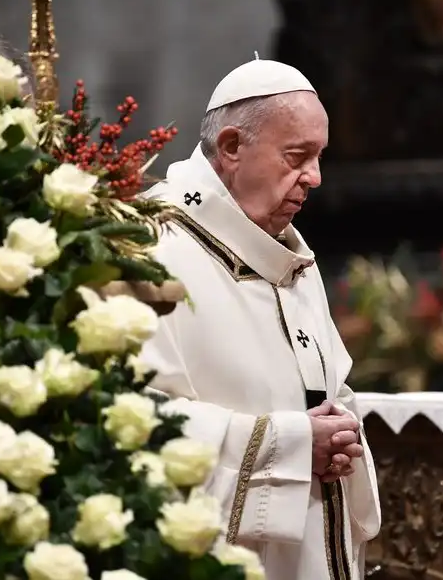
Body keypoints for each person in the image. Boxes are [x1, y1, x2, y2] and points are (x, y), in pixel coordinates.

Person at [140, 58, 380, 580]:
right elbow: (127, 418)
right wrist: (292, 445)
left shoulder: (286, 251)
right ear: (231, 148)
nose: (315, 178)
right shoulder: (150, 249)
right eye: (298, 156)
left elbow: (326, 391)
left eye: (319, 156)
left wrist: (335, 438)